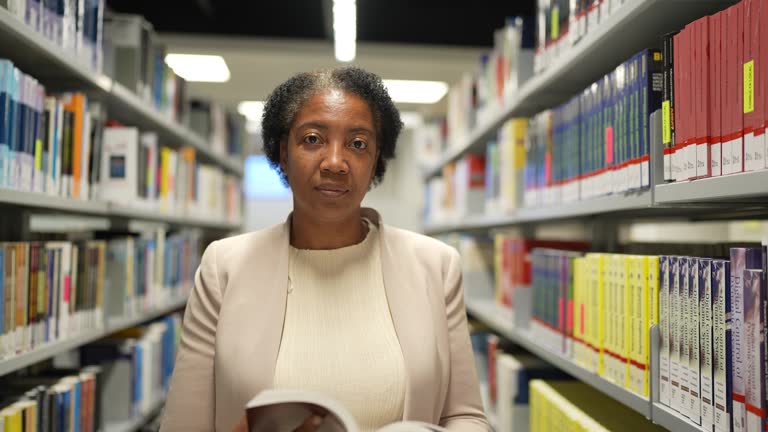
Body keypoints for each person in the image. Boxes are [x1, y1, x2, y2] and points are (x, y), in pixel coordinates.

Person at [159, 67, 489, 432]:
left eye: (358, 143)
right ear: (283, 153)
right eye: (313, 139)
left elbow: (466, 416)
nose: (335, 162)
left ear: (376, 159)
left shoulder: (436, 266)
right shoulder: (224, 268)